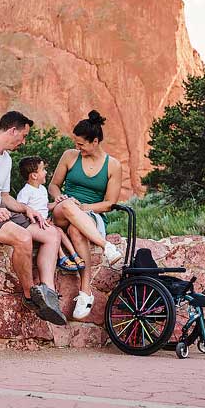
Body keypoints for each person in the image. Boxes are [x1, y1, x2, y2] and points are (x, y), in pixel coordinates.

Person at [0, 111, 67, 325]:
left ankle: (48, 294)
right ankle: (29, 296)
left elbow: (4, 197)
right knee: (23, 238)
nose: (23, 142)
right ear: (12, 130)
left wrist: (26, 209)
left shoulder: (6, 159)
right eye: (23, 136)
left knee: (51, 234)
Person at [48, 110, 123, 320]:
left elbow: (109, 204)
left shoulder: (113, 165)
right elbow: (53, 185)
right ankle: (105, 246)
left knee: (76, 230)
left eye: (81, 144)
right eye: (76, 143)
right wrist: (62, 198)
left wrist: (85, 208)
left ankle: (85, 291)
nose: (77, 148)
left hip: (90, 215)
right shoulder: (69, 156)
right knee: (68, 207)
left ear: (95, 141)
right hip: (62, 209)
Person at [16, 156, 97, 319]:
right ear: (34, 175)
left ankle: (73, 256)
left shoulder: (42, 190)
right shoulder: (25, 192)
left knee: (58, 231)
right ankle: (64, 257)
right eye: (43, 169)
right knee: (55, 232)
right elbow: (22, 211)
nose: (46, 172)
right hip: (37, 224)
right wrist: (37, 220)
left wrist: (60, 202)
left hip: (47, 223)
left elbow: (45, 206)